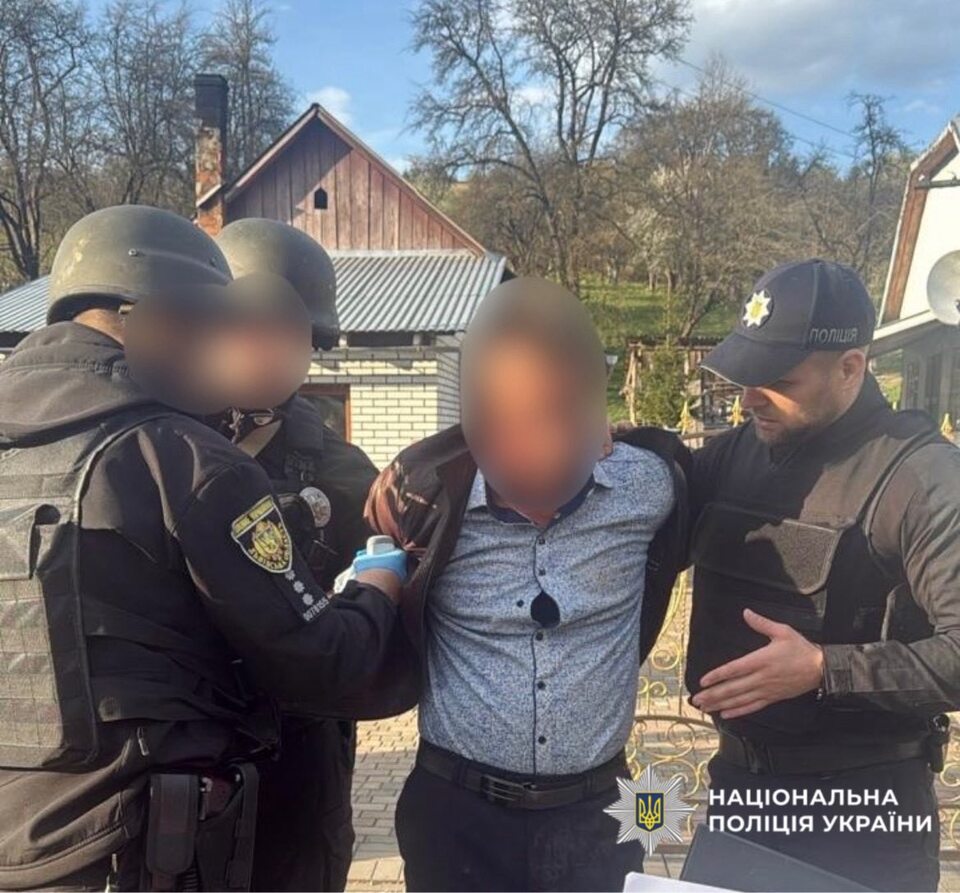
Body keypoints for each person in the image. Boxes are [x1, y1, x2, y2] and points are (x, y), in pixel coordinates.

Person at [0, 205, 406, 892]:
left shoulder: (338, 468)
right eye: (220, 325)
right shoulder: (183, 456)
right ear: (156, 318)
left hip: (249, 800)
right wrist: (378, 591)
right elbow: (322, 656)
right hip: (139, 841)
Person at [365, 277, 692, 892]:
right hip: (456, 816)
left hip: (600, 814)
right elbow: (376, 529)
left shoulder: (651, 488)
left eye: (554, 421)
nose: (531, 451)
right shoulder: (428, 498)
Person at [686, 259, 959, 892]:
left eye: (778, 381)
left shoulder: (923, 479)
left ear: (850, 368)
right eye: (746, 377)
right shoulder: (737, 453)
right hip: (740, 795)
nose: (749, 398)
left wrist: (824, 670)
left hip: (863, 813)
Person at [213, 218, 380, 892]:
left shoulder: (345, 471)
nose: (268, 349)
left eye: (291, 333)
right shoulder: (159, 448)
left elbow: (380, 601)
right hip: (185, 756)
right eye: (246, 327)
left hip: (299, 760)